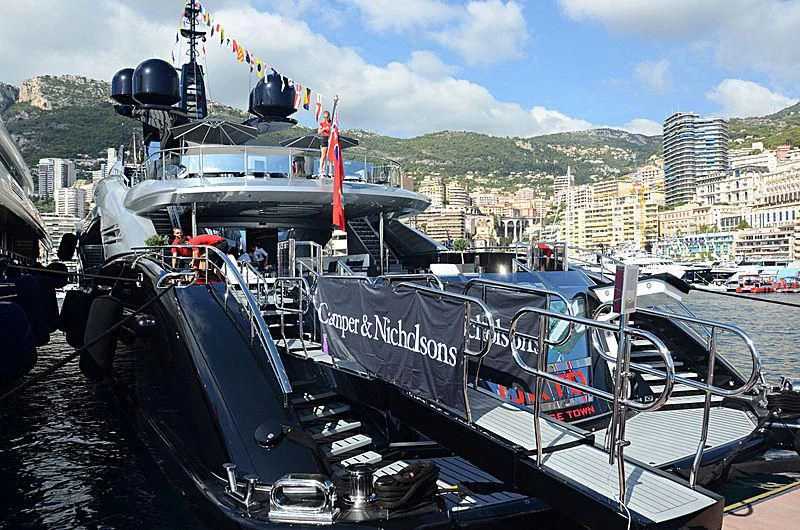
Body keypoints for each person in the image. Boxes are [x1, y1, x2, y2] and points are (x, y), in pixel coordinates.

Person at [318, 111, 332, 176]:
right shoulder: (322, 123)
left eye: (327, 117)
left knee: (330, 156)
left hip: (330, 138)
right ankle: (321, 169)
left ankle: (330, 171)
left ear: (329, 116)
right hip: (324, 138)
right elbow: (319, 132)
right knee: (323, 155)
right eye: (325, 117)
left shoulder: (331, 123)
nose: (326, 118)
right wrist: (324, 129)